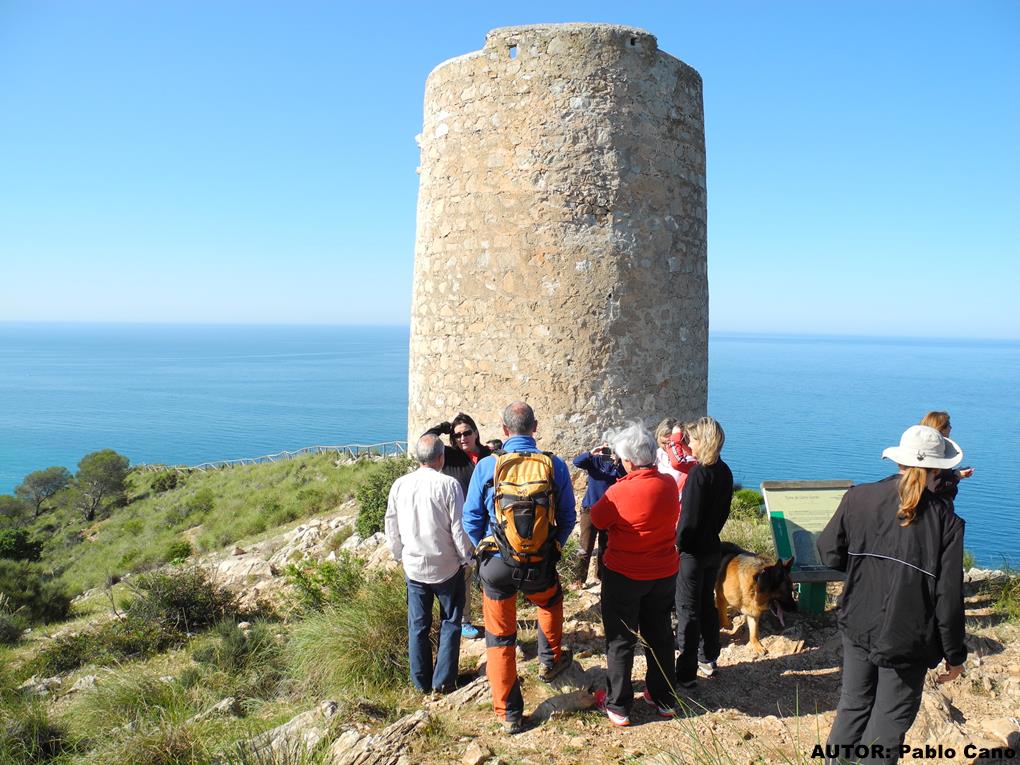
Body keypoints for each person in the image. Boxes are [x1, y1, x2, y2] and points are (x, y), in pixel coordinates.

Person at [817, 425, 966, 764]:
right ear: (939, 468)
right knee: (888, 722)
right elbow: (949, 600)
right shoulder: (946, 522)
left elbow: (829, 552)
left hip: (858, 619)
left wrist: (863, 570)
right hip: (908, 637)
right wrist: (955, 655)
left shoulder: (859, 497)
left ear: (898, 459)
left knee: (853, 705)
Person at [463, 401, 577, 734]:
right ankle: (550, 660)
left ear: (504, 431)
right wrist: (552, 546)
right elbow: (568, 516)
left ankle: (509, 714)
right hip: (539, 562)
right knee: (550, 600)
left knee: (500, 638)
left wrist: (486, 546)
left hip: (498, 565)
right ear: (535, 427)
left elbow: (471, 518)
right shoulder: (554, 465)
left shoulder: (488, 466)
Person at [589, 423, 681, 726]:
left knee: (621, 639)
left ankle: (618, 705)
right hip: (664, 573)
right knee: (660, 634)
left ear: (628, 460)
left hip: (624, 576)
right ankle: (664, 697)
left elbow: (597, 520)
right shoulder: (668, 484)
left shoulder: (619, 491)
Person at [384, 434, 473, 695]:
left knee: (418, 626)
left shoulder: (400, 484)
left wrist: (398, 553)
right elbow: (458, 528)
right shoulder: (449, 485)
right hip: (446, 566)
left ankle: (421, 682)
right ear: (441, 457)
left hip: (414, 568)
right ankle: (443, 681)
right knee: (451, 621)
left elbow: (392, 523)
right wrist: (466, 557)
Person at [674, 416, 733, 687]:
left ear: (704, 441)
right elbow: (722, 513)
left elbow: (688, 519)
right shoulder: (724, 471)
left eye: (693, 440)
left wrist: (679, 545)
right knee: (707, 604)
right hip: (712, 547)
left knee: (687, 609)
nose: (689, 445)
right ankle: (708, 657)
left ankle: (685, 673)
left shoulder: (699, 473)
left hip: (693, 553)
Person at [424, 414, 492, 639]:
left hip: (488, 523)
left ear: (475, 432)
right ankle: (465, 621)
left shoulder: (487, 456)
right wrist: (444, 427)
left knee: (489, 572)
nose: (463, 438)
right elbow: (426, 441)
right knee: (464, 575)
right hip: (461, 525)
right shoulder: (450, 456)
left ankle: (493, 614)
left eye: (467, 433)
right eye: (458, 435)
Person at [570, 442, 626, 587]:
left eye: (610, 449)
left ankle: (600, 577)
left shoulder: (618, 466)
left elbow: (625, 477)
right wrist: (592, 452)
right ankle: (578, 580)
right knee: (585, 546)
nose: (607, 452)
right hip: (590, 509)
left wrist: (618, 461)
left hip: (609, 511)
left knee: (605, 546)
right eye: (605, 449)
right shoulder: (594, 461)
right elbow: (577, 462)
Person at [919, 411, 974, 502]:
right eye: (948, 425)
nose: (951, 428)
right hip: (935, 509)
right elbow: (935, 486)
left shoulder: (921, 451)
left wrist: (955, 473)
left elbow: (934, 478)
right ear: (941, 429)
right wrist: (957, 475)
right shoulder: (936, 454)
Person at [654, 418, 681, 484]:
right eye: (663, 443)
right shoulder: (655, 456)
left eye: (670, 443)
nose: (667, 447)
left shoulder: (686, 456)